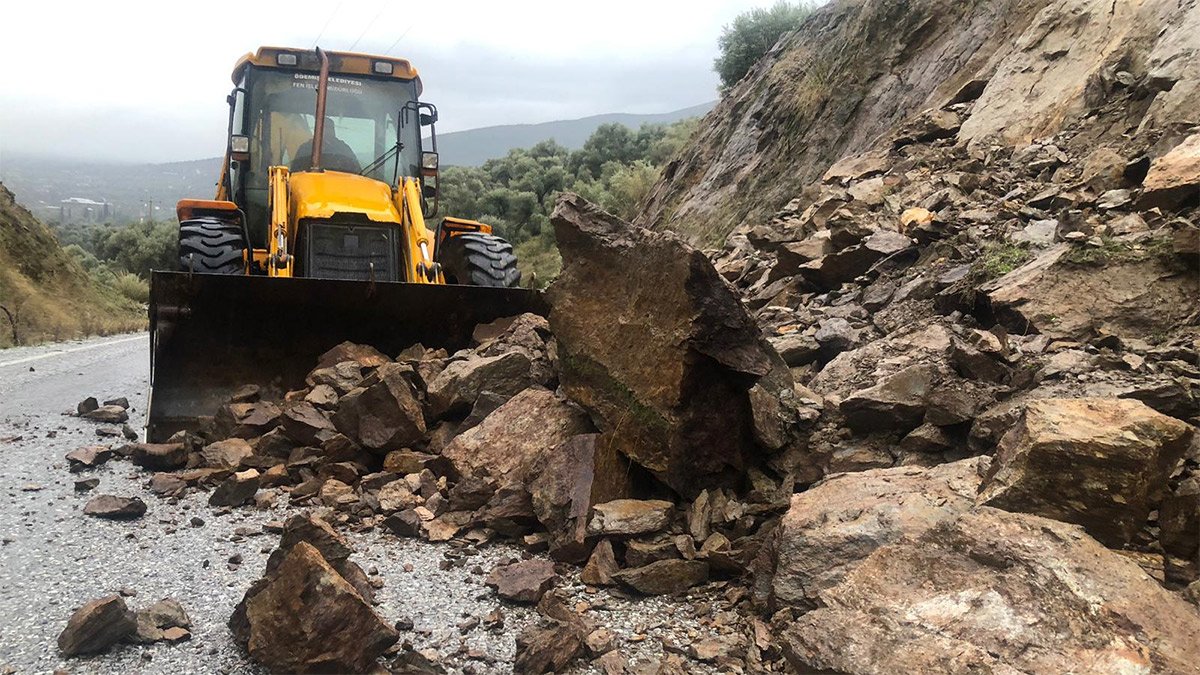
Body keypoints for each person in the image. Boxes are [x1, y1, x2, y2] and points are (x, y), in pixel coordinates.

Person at [291, 117, 362, 173]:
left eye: (330, 128)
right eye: (324, 127)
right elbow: (295, 173)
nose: (328, 131)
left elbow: (357, 171)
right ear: (317, 129)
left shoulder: (343, 149)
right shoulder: (306, 149)